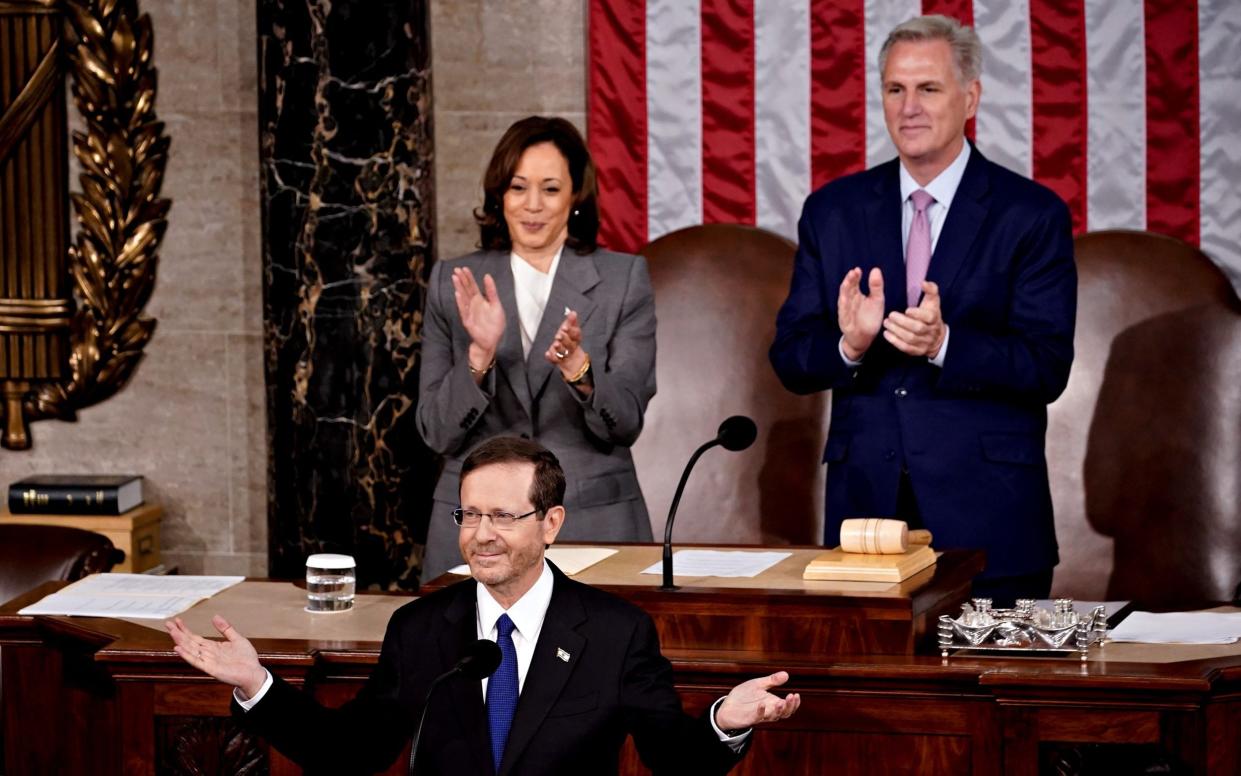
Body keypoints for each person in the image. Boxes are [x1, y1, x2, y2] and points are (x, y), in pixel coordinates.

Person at [166, 436, 799, 775]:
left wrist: (726, 719)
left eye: (502, 515)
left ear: (551, 523)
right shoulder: (420, 628)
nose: (481, 534)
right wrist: (257, 683)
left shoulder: (614, 631)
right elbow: (351, 751)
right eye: (469, 515)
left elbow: (675, 760)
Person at [768, 15, 1077, 606]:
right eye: (894, 89)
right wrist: (848, 346)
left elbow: (1046, 365)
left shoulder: (1030, 214)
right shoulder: (834, 210)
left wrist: (945, 345)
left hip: (990, 523)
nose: (909, 106)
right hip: (866, 526)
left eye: (928, 88)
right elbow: (790, 357)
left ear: (971, 97)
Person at [416, 116, 657, 582]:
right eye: (518, 187)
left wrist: (580, 370)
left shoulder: (622, 281)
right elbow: (436, 432)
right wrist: (479, 357)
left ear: (575, 198)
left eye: (550, 189)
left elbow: (625, 420)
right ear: (499, 195)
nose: (532, 205)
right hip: (476, 528)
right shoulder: (453, 283)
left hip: (592, 521)